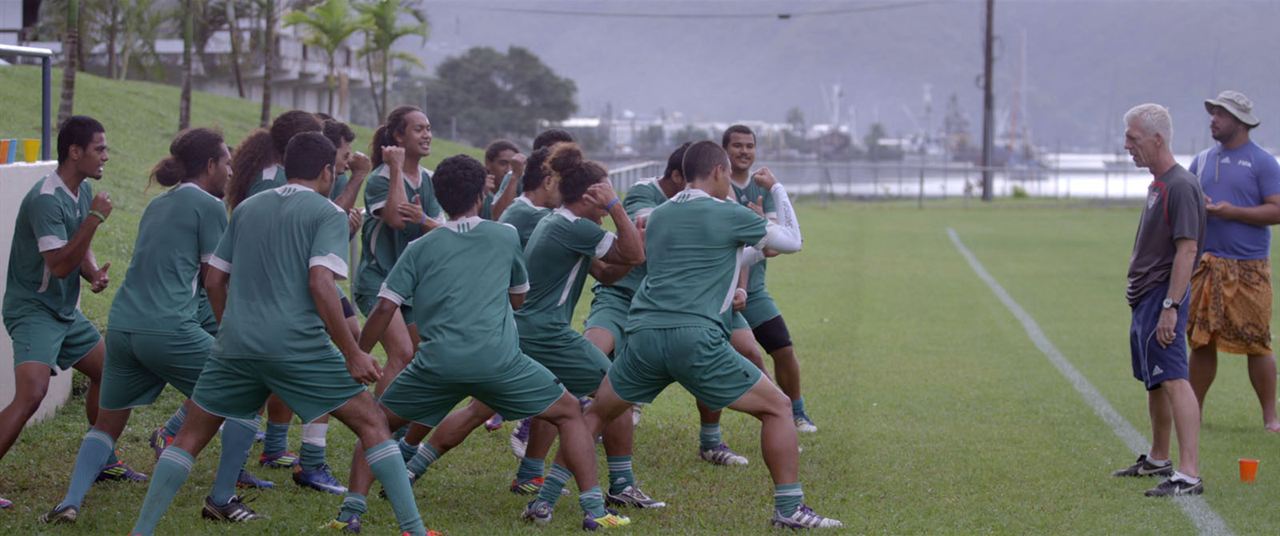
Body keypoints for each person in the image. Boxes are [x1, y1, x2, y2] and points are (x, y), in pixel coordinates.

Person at [127, 132, 429, 535]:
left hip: (235, 344)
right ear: (326, 172)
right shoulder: (327, 214)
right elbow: (322, 283)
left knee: (188, 438)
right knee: (373, 423)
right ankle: (414, 529)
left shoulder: (248, 207)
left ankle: (141, 530)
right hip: (295, 345)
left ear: (286, 166)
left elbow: (215, 279)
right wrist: (353, 353)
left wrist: (229, 326)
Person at [328, 154, 630, 532]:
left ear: (438, 196)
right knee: (570, 412)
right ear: (479, 196)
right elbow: (519, 297)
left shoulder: (419, 248)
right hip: (499, 362)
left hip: (436, 365)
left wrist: (357, 353)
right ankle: (594, 510)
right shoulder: (503, 235)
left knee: (375, 425)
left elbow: (384, 309)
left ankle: (350, 513)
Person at [576, 141, 841, 528]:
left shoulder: (661, 214)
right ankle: (789, 509)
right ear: (719, 172)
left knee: (595, 414)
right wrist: (777, 190)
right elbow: (791, 241)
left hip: (645, 333)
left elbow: (716, 256)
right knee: (778, 408)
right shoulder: (727, 212)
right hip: (694, 335)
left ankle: (545, 499)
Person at [40, 128, 271, 524]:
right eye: (227, 163)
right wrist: (234, 330)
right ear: (210, 165)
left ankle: (70, 501)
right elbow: (214, 278)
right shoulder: (210, 207)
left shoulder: (158, 205)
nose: (232, 172)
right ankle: (222, 498)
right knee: (246, 395)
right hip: (166, 328)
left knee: (109, 421)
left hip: (124, 326)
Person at [581, 142, 762, 466]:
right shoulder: (644, 194)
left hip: (698, 296)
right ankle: (564, 415)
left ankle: (711, 440)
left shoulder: (718, 198)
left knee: (748, 350)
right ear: (681, 176)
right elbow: (642, 230)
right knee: (592, 352)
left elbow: (739, 245)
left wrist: (740, 289)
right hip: (630, 291)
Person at [0, 116, 145, 510]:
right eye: (100, 149)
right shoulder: (45, 199)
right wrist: (96, 219)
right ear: (74, 152)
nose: (106, 157)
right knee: (32, 393)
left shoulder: (82, 191)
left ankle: (102, 460)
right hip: (33, 310)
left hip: (63, 311)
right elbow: (59, 263)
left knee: (111, 372)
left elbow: (75, 249)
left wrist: (93, 271)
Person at [225, 110, 334, 479]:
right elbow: (269, 242)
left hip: (280, 296)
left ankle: (267, 454)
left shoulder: (289, 190)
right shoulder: (267, 188)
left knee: (248, 388)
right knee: (328, 383)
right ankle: (311, 465)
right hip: (279, 297)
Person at [1110, 103, 1206, 497]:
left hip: (1161, 299)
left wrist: (1170, 307)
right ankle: (1159, 457)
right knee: (1155, 381)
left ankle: (1189, 473)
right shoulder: (1159, 183)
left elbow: (1187, 251)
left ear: (1157, 139)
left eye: (1133, 138)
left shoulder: (1181, 185)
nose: (1127, 145)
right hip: (1146, 297)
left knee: (1174, 379)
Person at [1185, 90, 1280, 432]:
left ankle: (1270, 417)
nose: (1213, 119)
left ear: (1240, 122)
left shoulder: (1263, 162)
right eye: (1212, 112)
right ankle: (1192, 410)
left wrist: (1232, 212)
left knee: (1257, 342)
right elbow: (1189, 203)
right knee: (1202, 340)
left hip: (1249, 267)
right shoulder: (1202, 160)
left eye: (1221, 114)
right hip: (1207, 264)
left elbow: (1277, 209)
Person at [722, 124, 817, 433]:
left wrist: (760, 224)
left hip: (754, 292)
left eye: (749, 146)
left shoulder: (762, 187)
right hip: (717, 289)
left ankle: (797, 412)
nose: (744, 151)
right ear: (725, 150)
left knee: (783, 349)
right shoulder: (717, 187)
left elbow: (775, 246)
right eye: (737, 146)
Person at [482, 139, 527, 221]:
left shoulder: (522, 192)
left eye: (513, 165)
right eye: (503, 163)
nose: (509, 170)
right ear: (488, 163)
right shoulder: (478, 192)